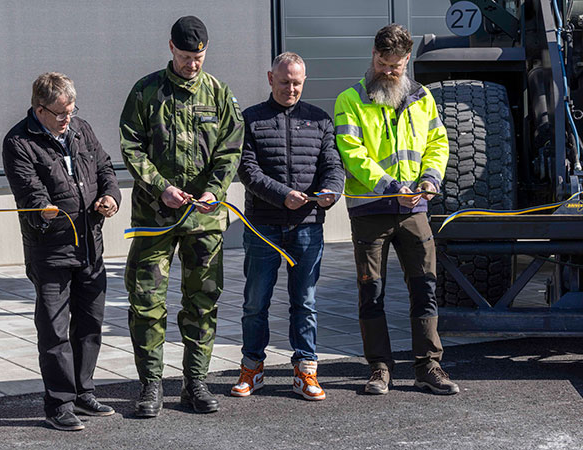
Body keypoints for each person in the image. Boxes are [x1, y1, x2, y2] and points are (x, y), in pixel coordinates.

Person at [119, 15, 244, 417]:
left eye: (200, 56)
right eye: (188, 56)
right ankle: (150, 384)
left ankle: (196, 383)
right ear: (171, 47)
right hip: (156, 218)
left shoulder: (218, 93)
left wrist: (215, 191)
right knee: (146, 302)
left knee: (202, 302)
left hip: (204, 221)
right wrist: (161, 187)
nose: (194, 64)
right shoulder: (146, 91)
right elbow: (131, 146)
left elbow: (230, 149)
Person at [333, 24, 459, 395]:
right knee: (371, 291)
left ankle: (428, 367)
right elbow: (353, 153)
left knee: (426, 287)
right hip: (370, 209)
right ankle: (379, 369)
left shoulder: (422, 98)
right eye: (383, 64)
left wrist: (431, 179)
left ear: (407, 61)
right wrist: (391, 187)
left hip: (415, 209)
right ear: (373, 55)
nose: (389, 72)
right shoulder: (349, 99)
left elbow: (438, 141)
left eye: (397, 66)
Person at [2, 72, 121, 431]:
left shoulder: (81, 129)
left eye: (71, 109)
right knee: (55, 329)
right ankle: (58, 403)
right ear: (39, 109)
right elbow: (29, 191)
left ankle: (83, 391)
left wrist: (110, 198)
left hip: (90, 246)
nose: (67, 118)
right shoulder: (19, 142)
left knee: (90, 324)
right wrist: (44, 209)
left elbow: (105, 169)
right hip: (50, 249)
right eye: (59, 113)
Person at [232, 52, 344, 400]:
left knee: (305, 302)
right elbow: (247, 171)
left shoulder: (320, 120)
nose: (290, 89)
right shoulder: (250, 119)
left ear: (304, 81)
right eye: (284, 82)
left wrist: (332, 192)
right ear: (270, 79)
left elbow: (334, 166)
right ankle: (252, 368)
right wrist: (283, 196)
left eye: (296, 83)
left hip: (308, 225)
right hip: (263, 226)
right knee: (255, 302)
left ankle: (306, 371)